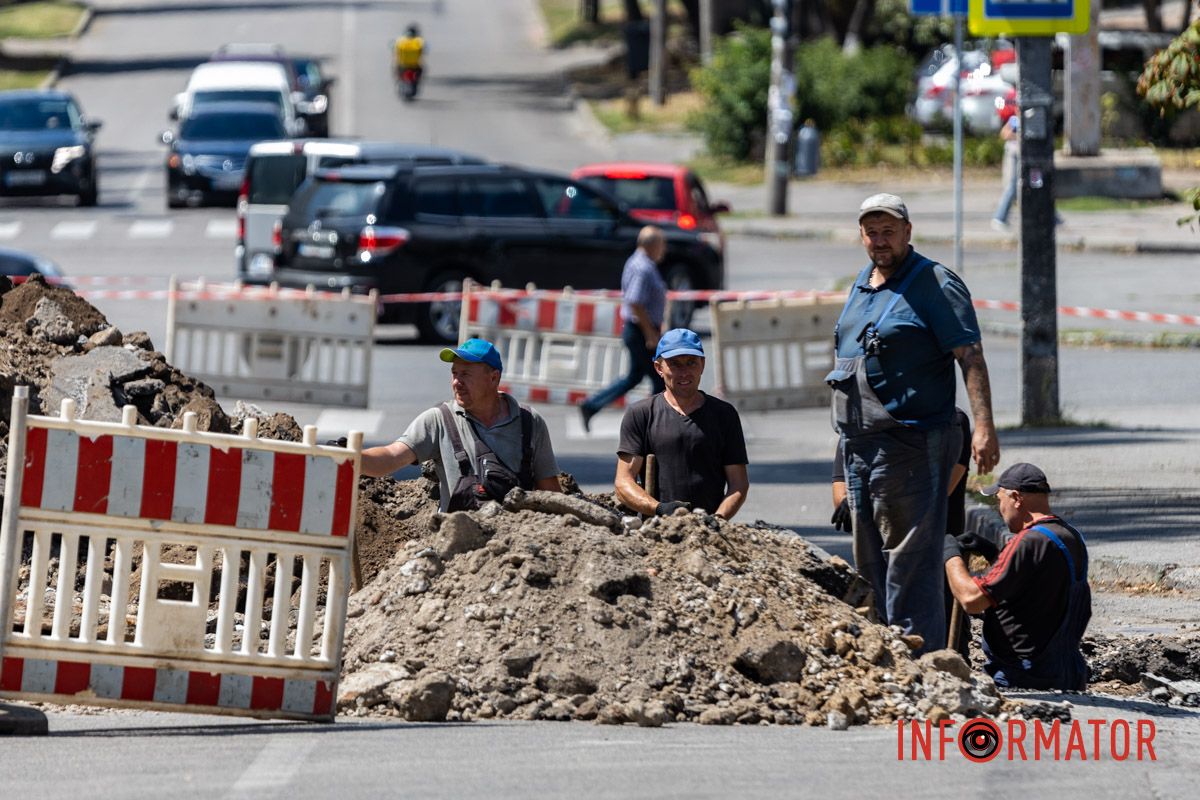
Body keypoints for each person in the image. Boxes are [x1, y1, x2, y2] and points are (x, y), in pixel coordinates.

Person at [827, 193, 1000, 655]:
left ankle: (921, 660)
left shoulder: (935, 283)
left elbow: (970, 355)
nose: (880, 241)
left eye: (889, 231)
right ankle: (886, 658)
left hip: (911, 440)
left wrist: (983, 426)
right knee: (870, 563)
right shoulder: (863, 283)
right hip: (860, 445)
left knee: (911, 562)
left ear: (908, 231)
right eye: (871, 232)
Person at [361, 338, 562, 511]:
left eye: (465, 374)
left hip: (513, 541)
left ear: (493, 378)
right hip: (457, 541)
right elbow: (392, 456)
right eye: (454, 373)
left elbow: (551, 494)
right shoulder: (440, 420)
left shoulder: (529, 422)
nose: (456, 382)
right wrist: (353, 458)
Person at [944, 463, 1091, 690]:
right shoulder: (1069, 536)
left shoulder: (1027, 541)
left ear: (1015, 498)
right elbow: (1032, 586)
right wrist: (993, 553)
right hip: (1067, 674)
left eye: (999, 500)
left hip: (1023, 676)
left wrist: (950, 555)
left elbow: (971, 600)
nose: (999, 509)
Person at [614, 328, 749, 520]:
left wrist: (718, 519)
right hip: (657, 530)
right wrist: (659, 508)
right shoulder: (641, 414)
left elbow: (738, 484)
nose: (684, 372)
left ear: (702, 365)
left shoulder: (724, 415)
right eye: (675, 364)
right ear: (659, 368)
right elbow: (623, 482)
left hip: (709, 529)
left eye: (691, 363)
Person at [579, 226, 668, 432]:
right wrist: (650, 332)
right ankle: (653, 423)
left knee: (635, 376)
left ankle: (592, 405)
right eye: (662, 244)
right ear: (652, 244)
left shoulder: (637, 262)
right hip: (641, 330)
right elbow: (635, 301)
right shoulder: (643, 267)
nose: (663, 249)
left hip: (639, 328)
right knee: (659, 379)